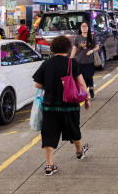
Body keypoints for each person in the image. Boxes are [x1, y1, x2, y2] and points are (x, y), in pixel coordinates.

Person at [33, 36, 91, 176]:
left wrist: (51, 85)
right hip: (70, 105)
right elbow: (82, 84)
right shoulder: (72, 63)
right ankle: (78, 152)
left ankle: (49, 165)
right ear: (68, 48)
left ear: (52, 48)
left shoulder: (46, 64)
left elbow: (38, 84)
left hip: (50, 105)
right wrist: (87, 99)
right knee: (73, 129)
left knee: (49, 135)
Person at [71, 21, 100, 99]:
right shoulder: (77, 38)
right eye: (82, 26)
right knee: (82, 78)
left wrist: (91, 51)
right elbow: (74, 49)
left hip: (89, 61)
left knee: (89, 77)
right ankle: (84, 93)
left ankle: (91, 89)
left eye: (85, 26)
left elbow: (97, 47)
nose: (84, 28)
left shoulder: (92, 37)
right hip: (79, 61)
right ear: (80, 28)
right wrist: (70, 59)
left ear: (88, 28)